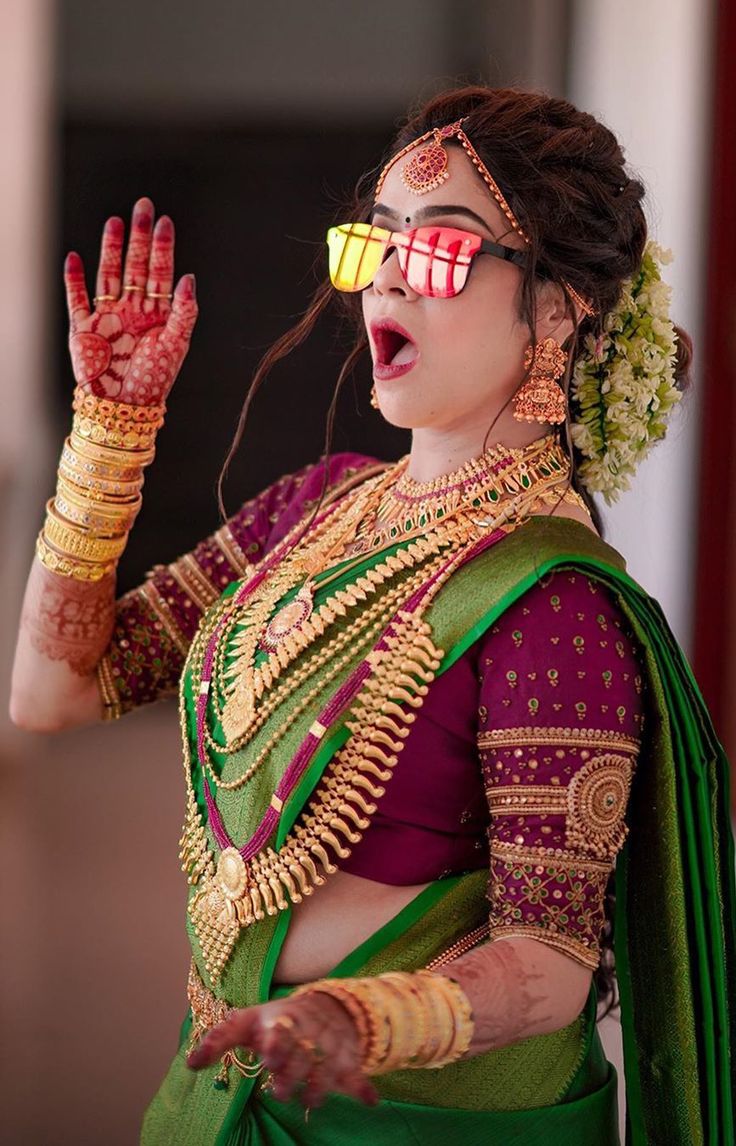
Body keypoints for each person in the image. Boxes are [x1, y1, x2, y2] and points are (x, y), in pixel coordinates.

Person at [10, 86, 735, 1145]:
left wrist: (357, 1016)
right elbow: (54, 692)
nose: (391, 275)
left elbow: (551, 965)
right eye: (376, 243)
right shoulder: (314, 507)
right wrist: (112, 435)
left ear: (561, 305)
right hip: (224, 1087)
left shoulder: (556, 609)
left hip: (397, 1112)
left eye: (439, 252)